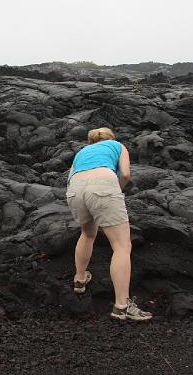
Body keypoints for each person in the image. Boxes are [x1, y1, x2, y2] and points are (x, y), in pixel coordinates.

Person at [66, 127, 152, 321]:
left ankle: (80, 280)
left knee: (87, 234)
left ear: (91, 141)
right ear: (110, 137)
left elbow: (69, 177)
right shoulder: (117, 145)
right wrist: (116, 191)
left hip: (75, 189)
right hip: (103, 183)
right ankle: (122, 306)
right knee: (121, 246)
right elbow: (126, 174)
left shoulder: (81, 152)